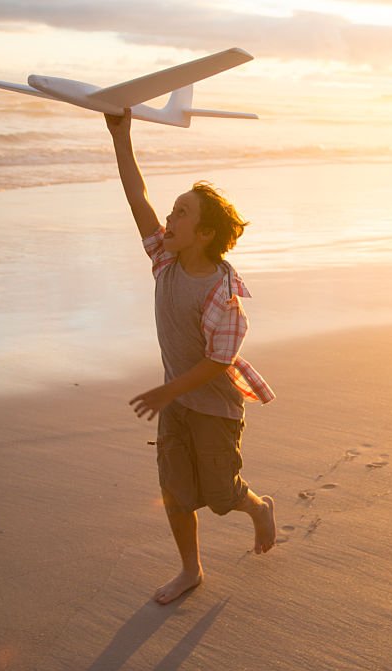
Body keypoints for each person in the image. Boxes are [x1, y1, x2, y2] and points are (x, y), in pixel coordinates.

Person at [106, 108, 277, 604]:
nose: (168, 218)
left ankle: (259, 507)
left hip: (214, 407)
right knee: (177, 491)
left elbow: (216, 365)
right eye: (173, 210)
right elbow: (136, 197)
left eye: (181, 213)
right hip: (176, 403)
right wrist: (122, 136)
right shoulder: (166, 261)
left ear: (204, 233)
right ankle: (190, 569)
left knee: (221, 497)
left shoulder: (223, 296)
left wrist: (166, 389)